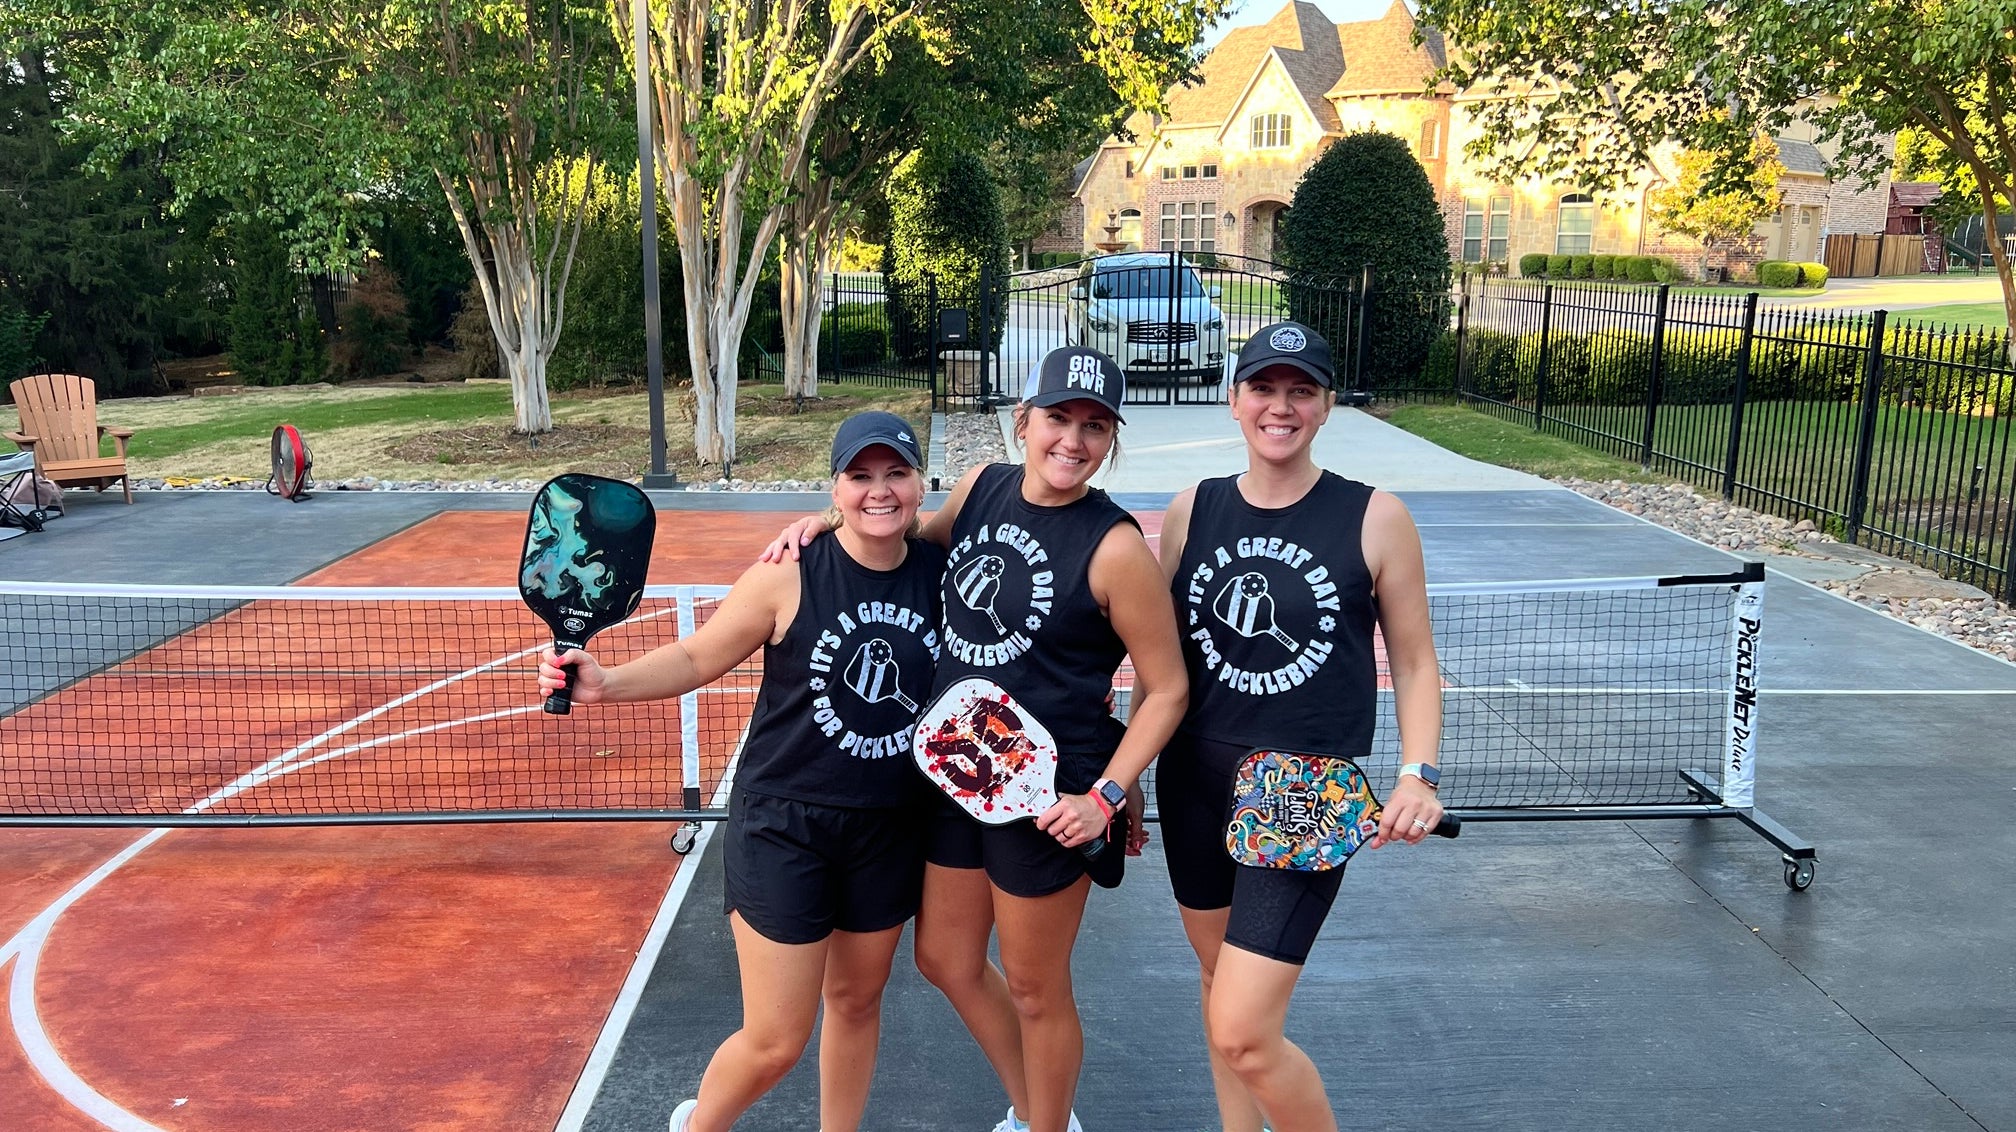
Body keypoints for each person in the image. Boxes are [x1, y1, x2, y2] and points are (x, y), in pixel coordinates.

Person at [765, 346, 1187, 1132]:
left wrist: (1107, 795)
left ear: (1110, 441)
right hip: (960, 774)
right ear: (1023, 422)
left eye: (1095, 427)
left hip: (1052, 796)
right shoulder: (983, 487)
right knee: (945, 961)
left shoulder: (1116, 548)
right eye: (1058, 418)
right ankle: (1036, 1110)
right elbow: (905, 537)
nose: (1074, 440)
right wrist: (825, 519)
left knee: (1035, 987)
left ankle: (1046, 1123)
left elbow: (1168, 689)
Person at [538, 411, 943, 1132]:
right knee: (776, 1039)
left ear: (919, 484)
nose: (879, 492)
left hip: (890, 826)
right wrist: (607, 683)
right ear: (835, 487)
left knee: (856, 1002)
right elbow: (698, 656)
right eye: (860, 477)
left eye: (896, 475)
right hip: (787, 824)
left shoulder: (942, 574)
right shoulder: (790, 572)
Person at [1154, 322, 1445, 1132]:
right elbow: (1141, 638)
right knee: (1220, 997)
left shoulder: (1374, 517)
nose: (1279, 406)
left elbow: (1417, 663)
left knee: (1244, 1033)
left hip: (1302, 793)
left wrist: (1418, 773)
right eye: (1263, 387)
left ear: (1325, 407)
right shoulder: (1192, 510)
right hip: (1192, 782)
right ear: (1233, 399)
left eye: (1301, 391)